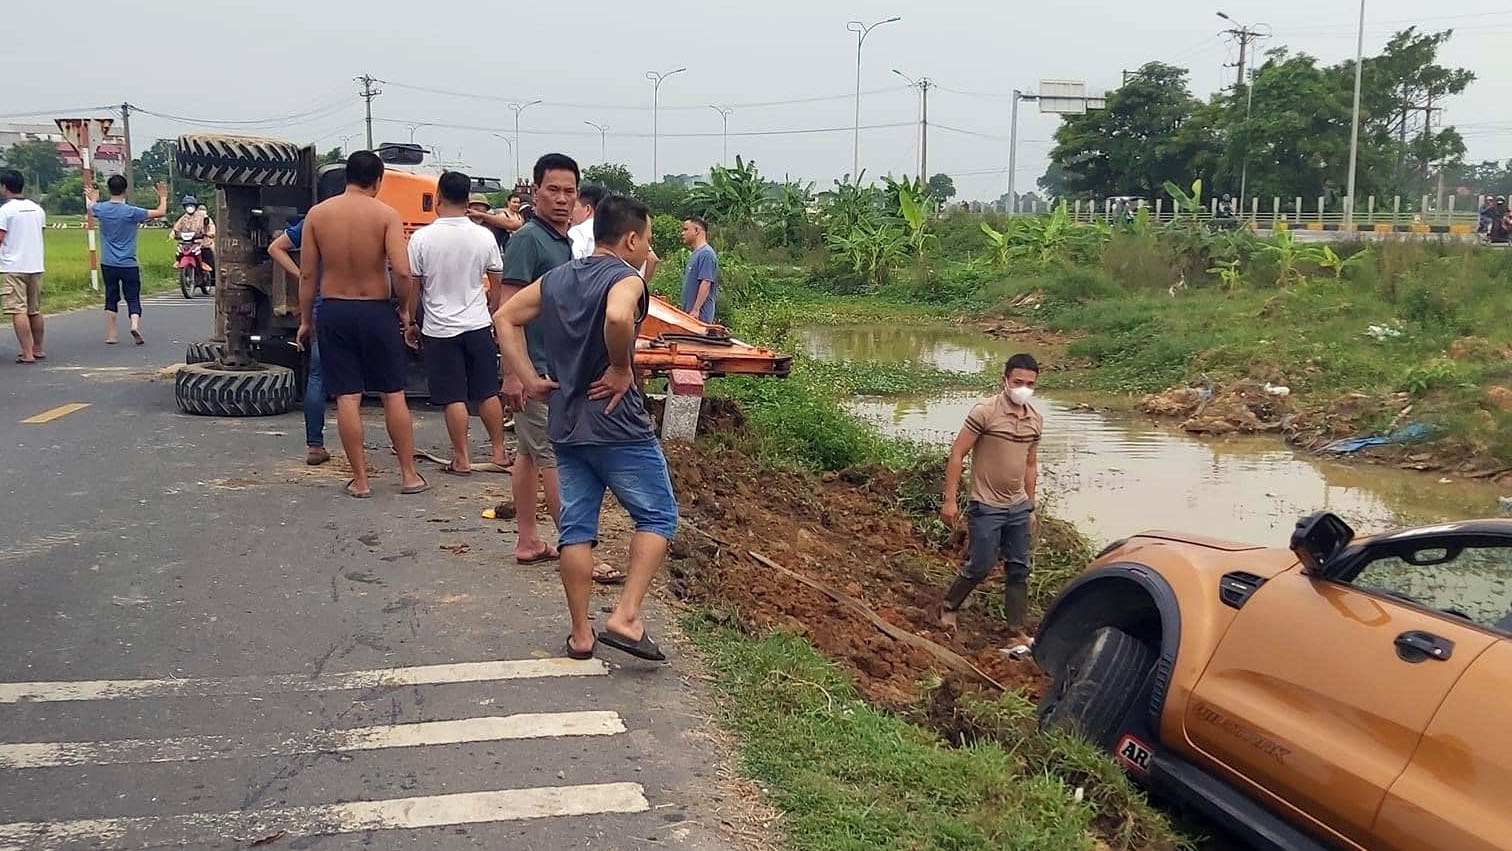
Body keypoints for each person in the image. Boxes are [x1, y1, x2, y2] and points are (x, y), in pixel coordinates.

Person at [494, 192, 678, 662]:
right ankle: (626, 616)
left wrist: (530, 378)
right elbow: (618, 315)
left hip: (567, 420)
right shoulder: (626, 279)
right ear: (631, 239)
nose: (648, 252)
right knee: (657, 516)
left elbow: (504, 316)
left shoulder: (558, 278)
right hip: (619, 424)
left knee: (576, 529)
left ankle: (581, 635)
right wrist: (620, 367)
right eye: (648, 241)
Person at [296, 150, 427, 498]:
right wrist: (404, 311)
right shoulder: (386, 214)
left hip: (335, 310)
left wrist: (306, 320)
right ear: (379, 180)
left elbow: (308, 274)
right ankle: (409, 475)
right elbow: (401, 271)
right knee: (392, 392)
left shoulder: (318, 215)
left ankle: (361, 480)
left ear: (346, 178)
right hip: (376, 310)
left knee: (347, 395)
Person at [498, 153, 578, 565]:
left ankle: (528, 540)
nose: (561, 198)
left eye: (568, 191)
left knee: (529, 456)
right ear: (535, 191)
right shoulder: (529, 239)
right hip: (536, 371)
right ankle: (578, 548)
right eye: (553, 189)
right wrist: (514, 374)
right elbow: (506, 308)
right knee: (554, 460)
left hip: (550, 366)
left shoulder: (560, 240)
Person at [409, 172, 513, 475]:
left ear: (438, 197)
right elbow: (496, 282)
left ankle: (462, 457)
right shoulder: (484, 237)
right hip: (478, 323)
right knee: (486, 392)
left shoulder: (421, 238)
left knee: (453, 395)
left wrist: (409, 319)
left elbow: (414, 287)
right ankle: (498, 452)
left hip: (439, 328)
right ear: (469, 199)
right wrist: (492, 312)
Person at [938, 353, 1043, 638]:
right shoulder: (985, 412)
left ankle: (1016, 629)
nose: (1023, 387)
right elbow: (958, 453)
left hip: (1018, 506)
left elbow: (1030, 465)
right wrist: (950, 499)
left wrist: (1030, 507)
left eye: (1029, 383)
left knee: (1020, 569)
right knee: (981, 565)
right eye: (1017, 381)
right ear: (1005, 380)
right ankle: (949, 606)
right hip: (986, 505)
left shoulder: (1035, 420)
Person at [268, 216, 329, 466]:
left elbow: (275, 248)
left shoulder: (316, 219)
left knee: (317, 378)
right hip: (365, 305)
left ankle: (315, 445)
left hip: (324, 306)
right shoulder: (378, 216)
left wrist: (303, 274)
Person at [87, 175, 168, 345]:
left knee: (111, 296)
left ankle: (111, 334)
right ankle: (134, 324)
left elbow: (91, 208)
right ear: (125, 190)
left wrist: (93, 198)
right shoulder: (132, 212)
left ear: (109, 189)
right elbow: (161, 212)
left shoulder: (101, 209)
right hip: (128, 263)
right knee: (132, 296)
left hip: (108, 262)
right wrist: (163, 196)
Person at [0, 169, 47, 363]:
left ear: (4, 187)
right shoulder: (37, 209)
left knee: (18, 309)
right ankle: (38, 348)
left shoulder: (5, 211)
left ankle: (27, 353)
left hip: (13, 267)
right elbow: (40, 234)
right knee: (34, 309)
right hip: (35, 265)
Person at [569, 183, 660, 282]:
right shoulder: (627, 226)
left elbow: (572, 262)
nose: (570, 212)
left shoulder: (578, 232)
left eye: (573, 207)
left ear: (587, 209)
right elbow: (652, 258)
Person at [679, 216, 719, 323]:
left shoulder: (706, 254)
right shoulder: (695, 254)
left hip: (699, 318)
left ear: (696, 231)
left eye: (685, 229)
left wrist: (696, 310)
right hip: (689, 315)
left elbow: (706, 283)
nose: (682, 233)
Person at [467, 192, 524, 257]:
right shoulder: (464, 223)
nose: (477, 213)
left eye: (481, 210)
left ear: (486, 210)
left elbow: (516, 225)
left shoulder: (494, 223)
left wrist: (483, 216)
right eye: (475, 209)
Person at [171, 194, 216, 274]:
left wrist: (209, 233)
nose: (189, 208)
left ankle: (211, 277)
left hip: (202, 244)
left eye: (191, 205)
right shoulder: (183, 218)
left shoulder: (202, 216)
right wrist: (172, 234)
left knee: (209, 257)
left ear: (195, 206)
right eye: (187, 206)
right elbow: (176, 228)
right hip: (188, 244)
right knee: (179, 253)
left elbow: (210, 226)